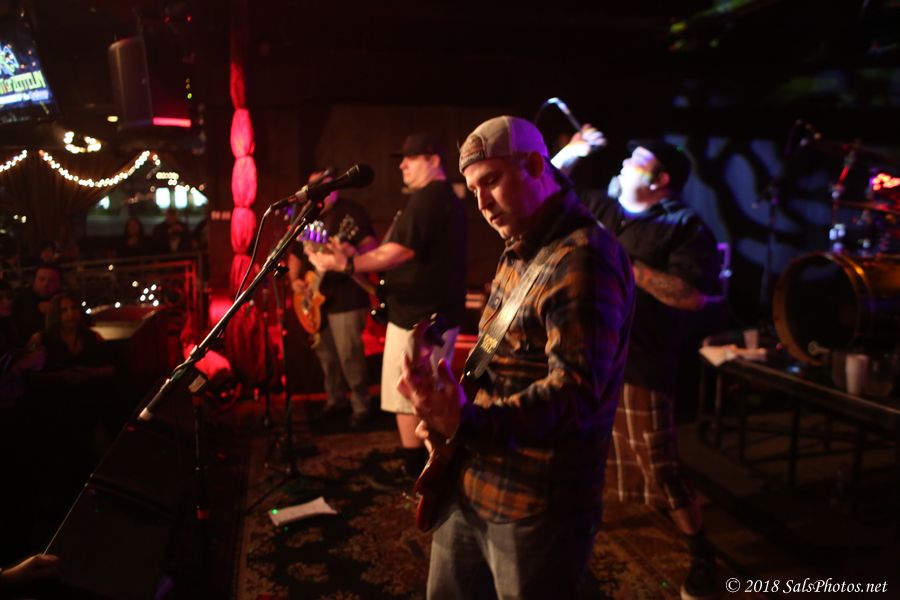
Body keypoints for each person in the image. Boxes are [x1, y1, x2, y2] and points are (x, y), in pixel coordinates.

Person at [397, 116, 634, 598]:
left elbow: (575, 395)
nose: (482, 203)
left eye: (491, 181)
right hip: (473, 474)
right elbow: (492, 348)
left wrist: (466, 421)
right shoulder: (520, 245)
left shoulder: (584, 257)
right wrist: (446, 393)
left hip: (536, 499)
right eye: (473, 189)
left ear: (535, 166)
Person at [555, 127, 723, 600]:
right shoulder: (602, 207)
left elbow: (692, 295)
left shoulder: (684, 225)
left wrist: (622, 259)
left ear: (661, 179)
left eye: (639, 159)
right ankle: (582, 536)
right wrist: (573, 150)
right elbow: (545, 182)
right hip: (587, 352)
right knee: (582, 450)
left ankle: (701, 553)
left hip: (642, 359)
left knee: (659, 462)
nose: (625, 163)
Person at [309, 132, 467, 481]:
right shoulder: (433, 198)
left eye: (410, 158)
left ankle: (419, 473)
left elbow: (400, 250)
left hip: (421, 318)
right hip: (419, 314)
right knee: (411, 394)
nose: (402, 165)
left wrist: (349, 264)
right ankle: (420, 469)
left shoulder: (431, 197)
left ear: (433, 160)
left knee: (412, 393)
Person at [288, 168, 379, 428]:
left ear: (335, 189)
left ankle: (361, 406)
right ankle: (335, 400)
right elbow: (295, 252)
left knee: (350, 354)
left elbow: (372, 246)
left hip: (347, 297)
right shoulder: (306, 216)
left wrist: (350, 252)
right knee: (326, 355)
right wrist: (295, 281)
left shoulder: (352, 213)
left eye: (324, 188)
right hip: (315, 298)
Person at [11, 262, 62, 342]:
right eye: (41, 279)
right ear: (34, 280)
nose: (45, 284)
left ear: (58, 283)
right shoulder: (20, 299)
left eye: (51, 281)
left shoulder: (63, 298)